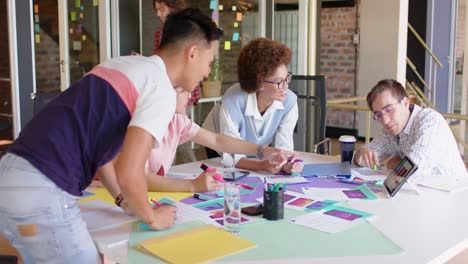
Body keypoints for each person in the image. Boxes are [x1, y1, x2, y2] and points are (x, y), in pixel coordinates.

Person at [0, 9, 292, 263]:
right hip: (43, 190)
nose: (207, 71)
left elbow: (102, 153)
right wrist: (151, 216)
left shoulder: (121, 66)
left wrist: (123, 201)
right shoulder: (160, 88)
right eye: (209, 59)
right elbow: (130, 171)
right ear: (192, 53)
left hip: (11, 177)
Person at [203, 38, 303, 174]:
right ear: (259, 83)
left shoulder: (289, 101)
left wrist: (287, 163)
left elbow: (284, 147)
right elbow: (231, 157)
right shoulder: (233, 101)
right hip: (219, 147)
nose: (286, 86)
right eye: (279, 81)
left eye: (287, 78)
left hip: (258, 152)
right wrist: (263, 165)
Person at [353, 79, 467, 183]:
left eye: (389, 109)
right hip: (422, 194)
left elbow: (412, 173)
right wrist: (361, 153)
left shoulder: (430, 121)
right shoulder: (390, 130)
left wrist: (394, 164)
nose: (385, 121)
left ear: (406, 103)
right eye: (378, 115)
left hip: (454, 196)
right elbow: (364, 159)